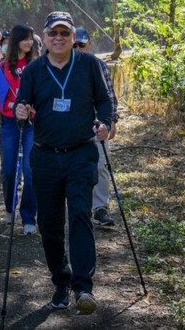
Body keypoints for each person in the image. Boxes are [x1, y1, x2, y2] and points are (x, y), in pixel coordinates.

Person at [15, 11, 112, 315]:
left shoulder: (91, 65)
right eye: (53, 33)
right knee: (50, 222)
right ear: (43, 38)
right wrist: (21, 110)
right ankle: (61, 280)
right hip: (45, 156)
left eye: (64, 33)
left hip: (81, 153)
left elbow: (105, 100)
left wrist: (106, 122)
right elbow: (23, 102)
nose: (58, 38)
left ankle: (83, 286)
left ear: (73, 37)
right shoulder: (33, 70)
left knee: (81, 214)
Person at [0, 25, 37, 235]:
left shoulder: (36, 66)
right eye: (26, 39)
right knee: (9, 171)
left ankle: (29, 217)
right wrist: (11, 106)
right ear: (17, 40)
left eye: (31, 39)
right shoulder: (1, 67)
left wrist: (31, 108)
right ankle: (10, 207)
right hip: (9, 124)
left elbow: (44, 94)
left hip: (31, 125)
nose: (30, 42)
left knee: (30, 170)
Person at [75, 28, 119, 226]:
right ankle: (80, 207)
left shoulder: (99, 65)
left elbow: (109, 96)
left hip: (97, 122)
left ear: (89, 44)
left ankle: (100, 207)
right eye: (75, 45)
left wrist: (112, 121)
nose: (79, 48)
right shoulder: (63, 66)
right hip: (72, 125)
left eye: (82, 45)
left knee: (101, 164)